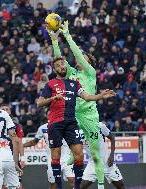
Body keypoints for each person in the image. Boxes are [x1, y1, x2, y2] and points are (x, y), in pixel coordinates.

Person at [37, 57, 115, 189]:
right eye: (58, 65)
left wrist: (100, 96)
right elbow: (39, 103)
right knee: (56, 156)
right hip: (55, 123)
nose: (62, 66)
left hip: (71, 122)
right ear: (55, 69)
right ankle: (59, 186)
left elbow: (88, 97)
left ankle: (77, 187)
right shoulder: (50, 84)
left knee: (79, 154)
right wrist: (53, 98)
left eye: (63, 64)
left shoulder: (74, 83)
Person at [48, 21, 106, 188]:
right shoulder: (71, 73)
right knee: (75, 150)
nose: (79, 57)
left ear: (88, 61)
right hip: (73, 115)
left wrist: (67, 34)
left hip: (89, 116)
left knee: (95, 154)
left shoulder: (90, 73)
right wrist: (54, 40)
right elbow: (59, 60)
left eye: (83, 56)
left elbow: (78, 54)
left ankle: (101, 185)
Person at [23, 122, 75, 189]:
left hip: (66, 158)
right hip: (52, 159)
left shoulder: (66, 125)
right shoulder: (43, 128)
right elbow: (34, 142)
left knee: (73, 181)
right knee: (53, 184)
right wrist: (22, 145)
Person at [81, 122, 125, 189]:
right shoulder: (79, 132)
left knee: (121, 186)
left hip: (107, 162)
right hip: (93, 164)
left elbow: (112, 137)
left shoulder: (100, 126)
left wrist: (112, 155)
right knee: (82, 186)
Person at [0, 104, 25, 189]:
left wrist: (22, 158)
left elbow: (19, 142)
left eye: (7, 109)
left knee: (18, 185)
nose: (5, 111)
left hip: (13, 158)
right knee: (2, 185)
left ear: (10, 111)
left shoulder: (17, 126)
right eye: (3, 109)